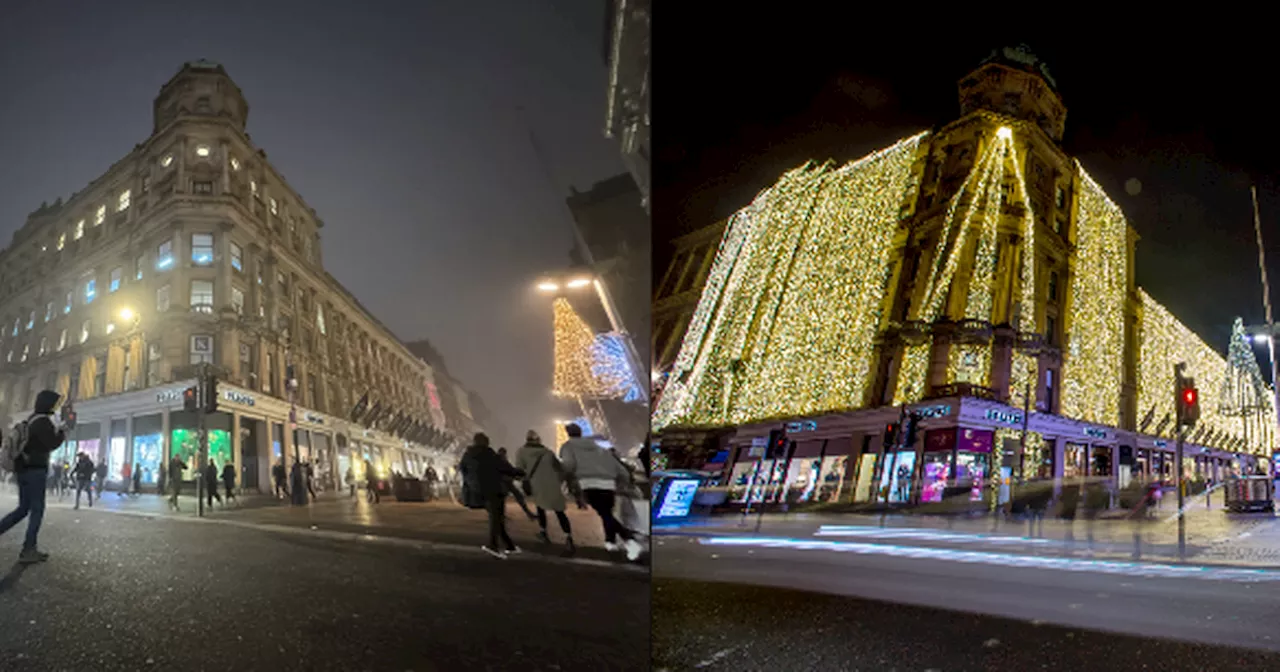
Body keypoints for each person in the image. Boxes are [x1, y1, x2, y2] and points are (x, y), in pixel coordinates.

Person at [0, 390, 68, 563]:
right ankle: (28, 549)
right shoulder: (43, 422)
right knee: (36, 510)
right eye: (54, 403)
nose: (56, 406)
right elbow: (51, 444)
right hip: (36, 471)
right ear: (48, 404)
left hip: (23, 470)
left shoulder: (31, 419)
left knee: (23, 508)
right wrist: (61, 432)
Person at [560, 424, 643, 561]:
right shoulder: (598, 448)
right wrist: (623, 483)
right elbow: (620, 469)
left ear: (568, 433)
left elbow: (569, 466)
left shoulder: (568, 447)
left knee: (605, 514)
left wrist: (565, 479)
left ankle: (630, 540)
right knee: (607, 513)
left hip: (589, 483)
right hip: (608, 485)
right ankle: (610, 542)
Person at [460, 433, 521, 559]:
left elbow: (463, 470)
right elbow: (507, 469)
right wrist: (521, 472)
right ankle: (493, 545)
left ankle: (509, 545)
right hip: (493, 490)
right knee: (496, 518)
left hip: (476, 492)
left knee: (496, 518)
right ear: (486, 442)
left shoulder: (467, 455)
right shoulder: (491, 455)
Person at [516, 430, 574, 555]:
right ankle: (568, 537)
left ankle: (543, 532)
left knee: (540, 508)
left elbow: (519, 470)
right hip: (552, 484)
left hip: (536, 485)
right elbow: (559, 468)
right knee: (559, 512)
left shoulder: (521, 452)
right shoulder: (548, 452)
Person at [497, 447, 536, 521]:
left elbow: (510, 470)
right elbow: (510, 470)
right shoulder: (501, 461)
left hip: (506, 482)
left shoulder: (501, 461)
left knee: (512, 497)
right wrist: (518, 475)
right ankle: (528, 513)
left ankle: (528, 513)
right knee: (506, 499)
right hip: (504, 483)